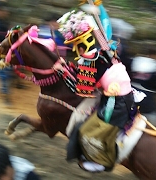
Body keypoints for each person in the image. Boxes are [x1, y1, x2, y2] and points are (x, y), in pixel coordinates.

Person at [58, 10, 138, 173]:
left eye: (74, 45)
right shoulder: (106, 48)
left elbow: (80, 91)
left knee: (86, 132)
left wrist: (62, 70)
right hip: (127, 95)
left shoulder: (89, 61)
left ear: (79, 45)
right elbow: (101, 28)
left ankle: (102, 162)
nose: (74, 49)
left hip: (116, 104)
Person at [0, 1, 20, 105]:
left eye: (4, 10)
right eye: (1, 10)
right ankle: (6, 96)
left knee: (7, 73)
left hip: (3, 51)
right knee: (4, 74)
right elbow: (4, 39)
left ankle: (5, 89)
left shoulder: (3, 22)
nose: (4, 12)